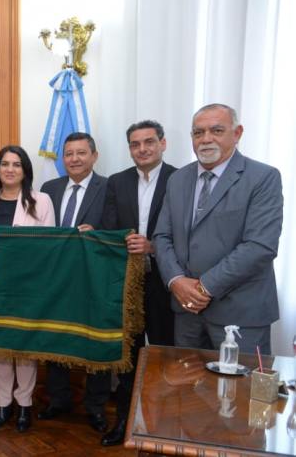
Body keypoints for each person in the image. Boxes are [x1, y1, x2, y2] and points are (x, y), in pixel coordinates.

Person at [153, 103, 283, 354]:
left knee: (240, 392)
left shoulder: (263, 177)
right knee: (188, 391)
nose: (206, 139)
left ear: (237, 133)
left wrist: (203, 288)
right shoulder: (177, 179)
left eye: (217, 130)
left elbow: (259, 246)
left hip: (240, 314)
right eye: (198, 132)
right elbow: (162, 236)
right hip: (186, 312)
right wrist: (176, 281)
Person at [99, 120, 176, 446]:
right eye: (135, 144)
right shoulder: (117, 182)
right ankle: (124, 423)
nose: (142, 149)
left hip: (166, 283)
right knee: (127, 357)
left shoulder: (180, 179)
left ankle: (163, 427)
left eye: (148, 142)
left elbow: (187, 237)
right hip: (127, 285)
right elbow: (110, 227)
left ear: (162, 143)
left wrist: (153, 247)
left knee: (163, 356)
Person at [0, 146, 55, 432]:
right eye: (5, 164)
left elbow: (50, 246)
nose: (10, 169)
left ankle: (24, 406)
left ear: (25, 170)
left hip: (28, 287)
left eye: (17, 164)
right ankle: (2, 405)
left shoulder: (42, 200)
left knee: (24, 349)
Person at [39, 132, 110, 434]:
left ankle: (95, 407)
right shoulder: (48, 188)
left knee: (95, 341)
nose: (75, 159)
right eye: (69, 153)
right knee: (56, 338)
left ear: (94, 156)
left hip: (94, 279)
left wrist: (97, 231)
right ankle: (58, 399)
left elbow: (120, 228)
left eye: (81, 153)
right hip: (56, 279)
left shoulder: (109, 188)